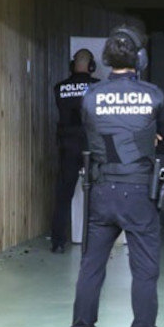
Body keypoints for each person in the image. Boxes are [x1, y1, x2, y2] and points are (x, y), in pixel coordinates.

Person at [71, 23, 164, 327]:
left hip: (102, 190)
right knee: (144, 272)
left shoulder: (90, 96)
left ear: (105, 61)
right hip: (139, 192)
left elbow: (92, 134)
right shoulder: (154, 95)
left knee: (91, 268)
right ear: (140, 59)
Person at [50, 49, 100, 253]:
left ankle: (58, 242)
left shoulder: (59, 88)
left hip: (68, 145)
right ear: (91, 67)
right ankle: (96, 242)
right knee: (97, 194)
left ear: (73, 66)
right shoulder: (98, 87)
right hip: (91, 145)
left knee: (63, 195)